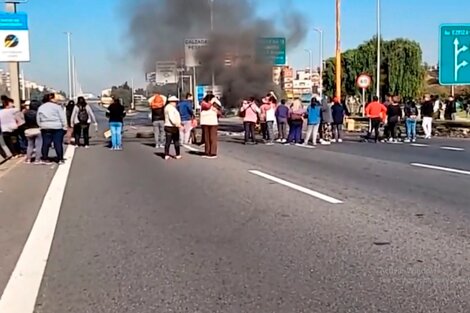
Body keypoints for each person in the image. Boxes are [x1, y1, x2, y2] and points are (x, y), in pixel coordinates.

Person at [37, 93, 67, 163]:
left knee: (46, 143)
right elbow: (63, 118)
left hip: (45, 127)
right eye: (54, 98)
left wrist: (41, 125)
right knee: (58, 143)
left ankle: (45, 158)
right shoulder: (57, 107)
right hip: (57, 127)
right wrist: (64, 126)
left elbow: (38, 118)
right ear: (51, 99)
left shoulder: (41, 107)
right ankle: (60, 158)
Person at [163, 96, 182, 160]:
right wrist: (177, 124)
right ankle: (177, 154)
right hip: (172, 126)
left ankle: (166, 154)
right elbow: (172, 118)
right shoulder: (170, 108)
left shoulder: (167, 107)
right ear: (172, 102)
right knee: (176, 141)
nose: (176, 103)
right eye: (175, 102)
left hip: (168, 126)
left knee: (168, 141)